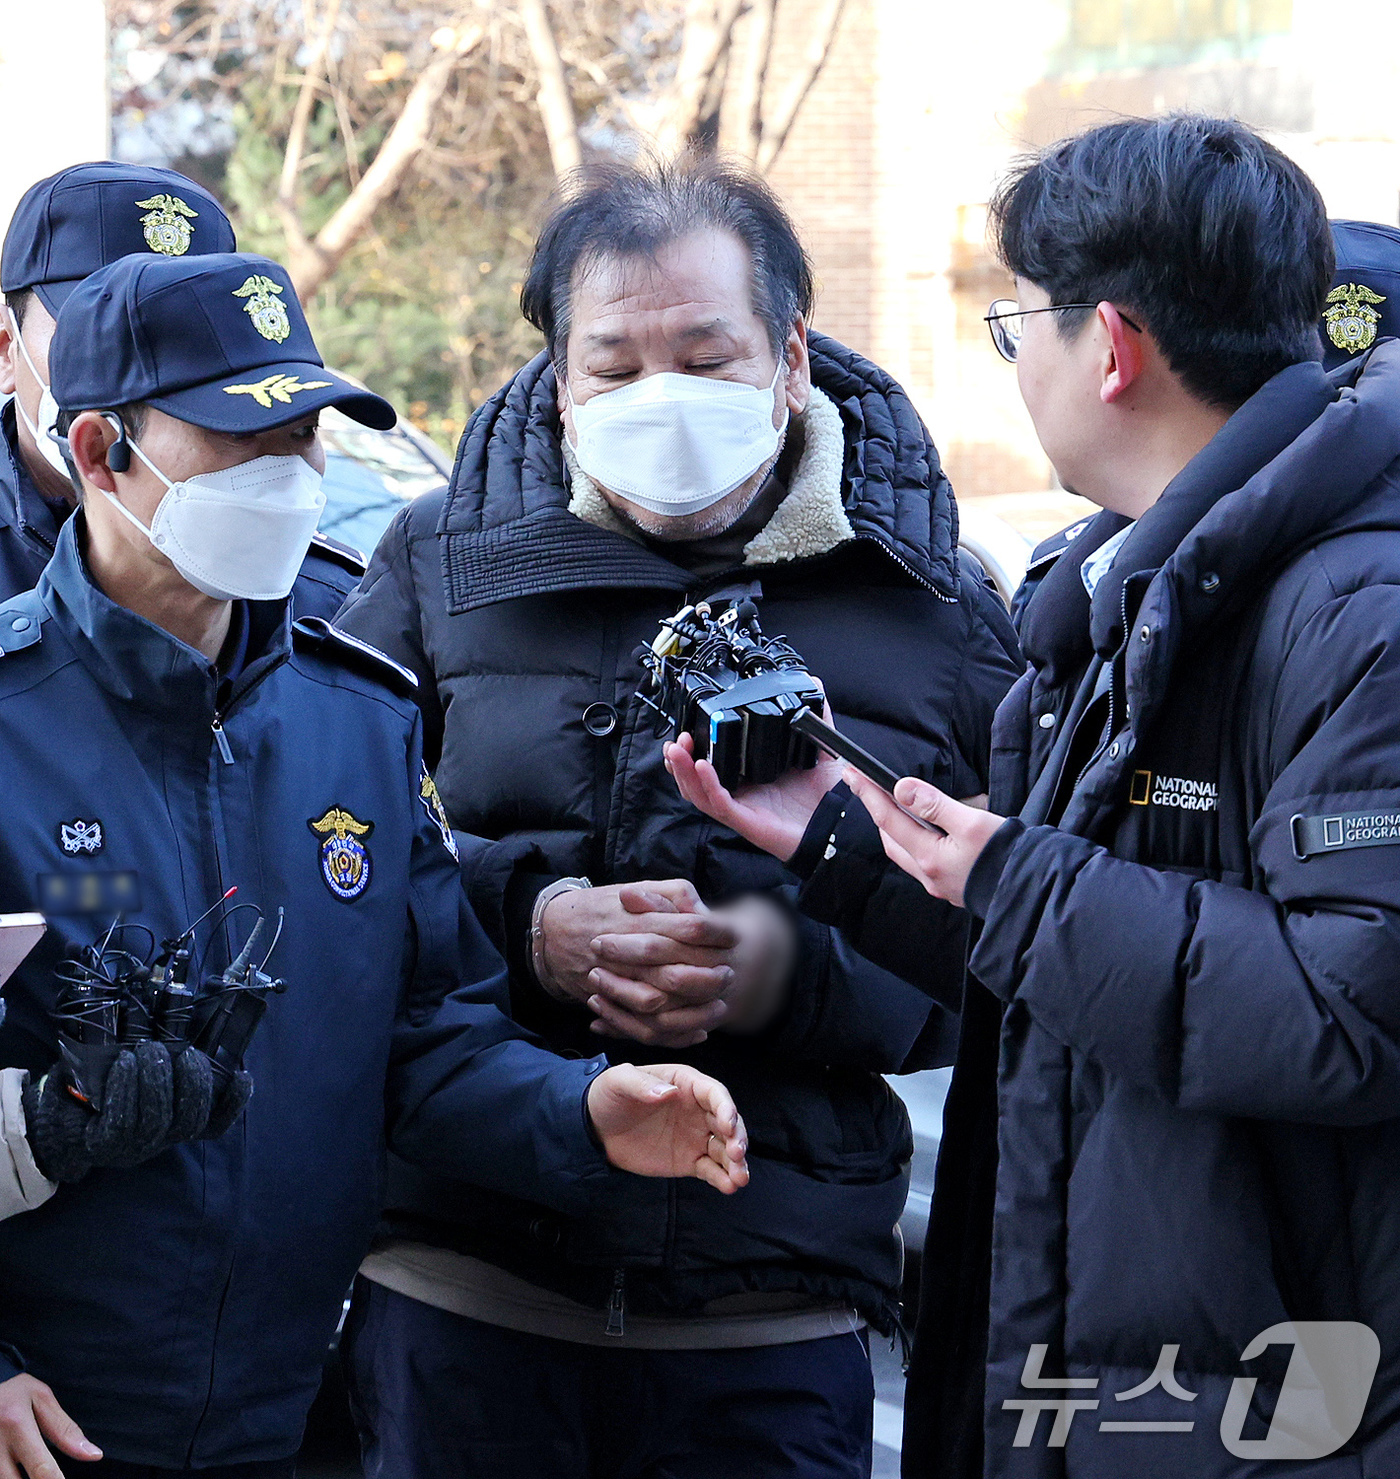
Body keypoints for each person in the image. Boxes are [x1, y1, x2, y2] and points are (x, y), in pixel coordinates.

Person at [672, 116, 1400, 1477]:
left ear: (1111, 346)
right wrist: (853, 843)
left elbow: (1349, 1010)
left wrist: (1015, 875)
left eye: (1022, 329)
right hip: (1105, 1362)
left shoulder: (1358, 605)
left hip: (1282, 1398)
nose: (1018, 368)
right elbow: (1076, 968)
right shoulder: (1133, 588)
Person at [0, 248, 748, 1479]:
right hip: (51, 1418)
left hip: (290, 1414)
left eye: (305, 438)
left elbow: (425, 1040)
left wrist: (581, 1108)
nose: (293, 478)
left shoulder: (358, 716)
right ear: (98, 453)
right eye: (243, 442)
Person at [333, 154, 1022, 1477]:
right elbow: (328, 862)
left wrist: (785, 967)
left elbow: (1001, 954)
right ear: (554, 375)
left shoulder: (936, 603)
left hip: (772, 1300)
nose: (661, 398)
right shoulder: (433, 565)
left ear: (790, 354)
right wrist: (525, 922)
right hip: (469, 1276)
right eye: (615, 365)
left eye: (705, 356)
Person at [0, 162, 368, 613]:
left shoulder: (323, 597)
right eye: (91, 325)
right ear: (6, 349)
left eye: (190, 334)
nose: (145, 367)